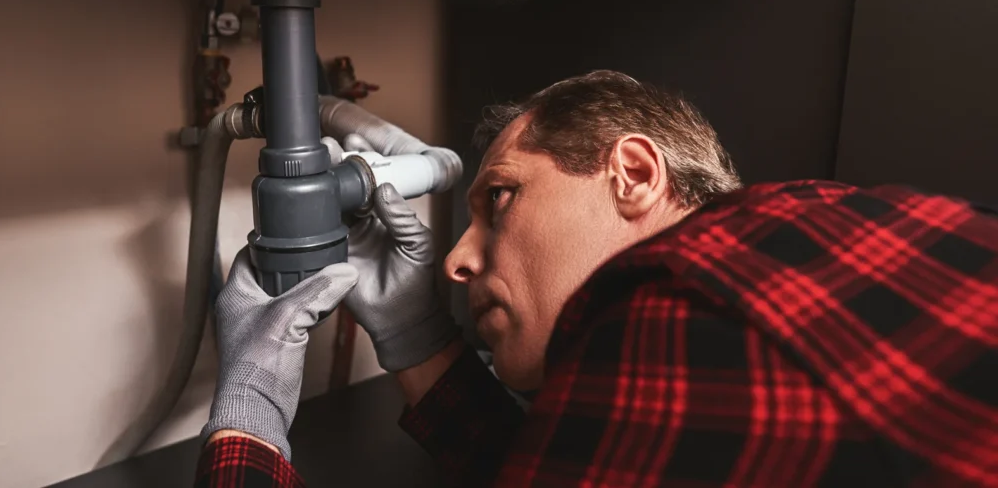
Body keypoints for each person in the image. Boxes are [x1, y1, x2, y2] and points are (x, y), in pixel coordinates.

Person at [193, 70, 998, 488]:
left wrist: (248, 415)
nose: (456, 261)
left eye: (500, 198)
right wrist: (413, 337)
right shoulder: (818, 222)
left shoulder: (682, 307)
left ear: (635, 175)